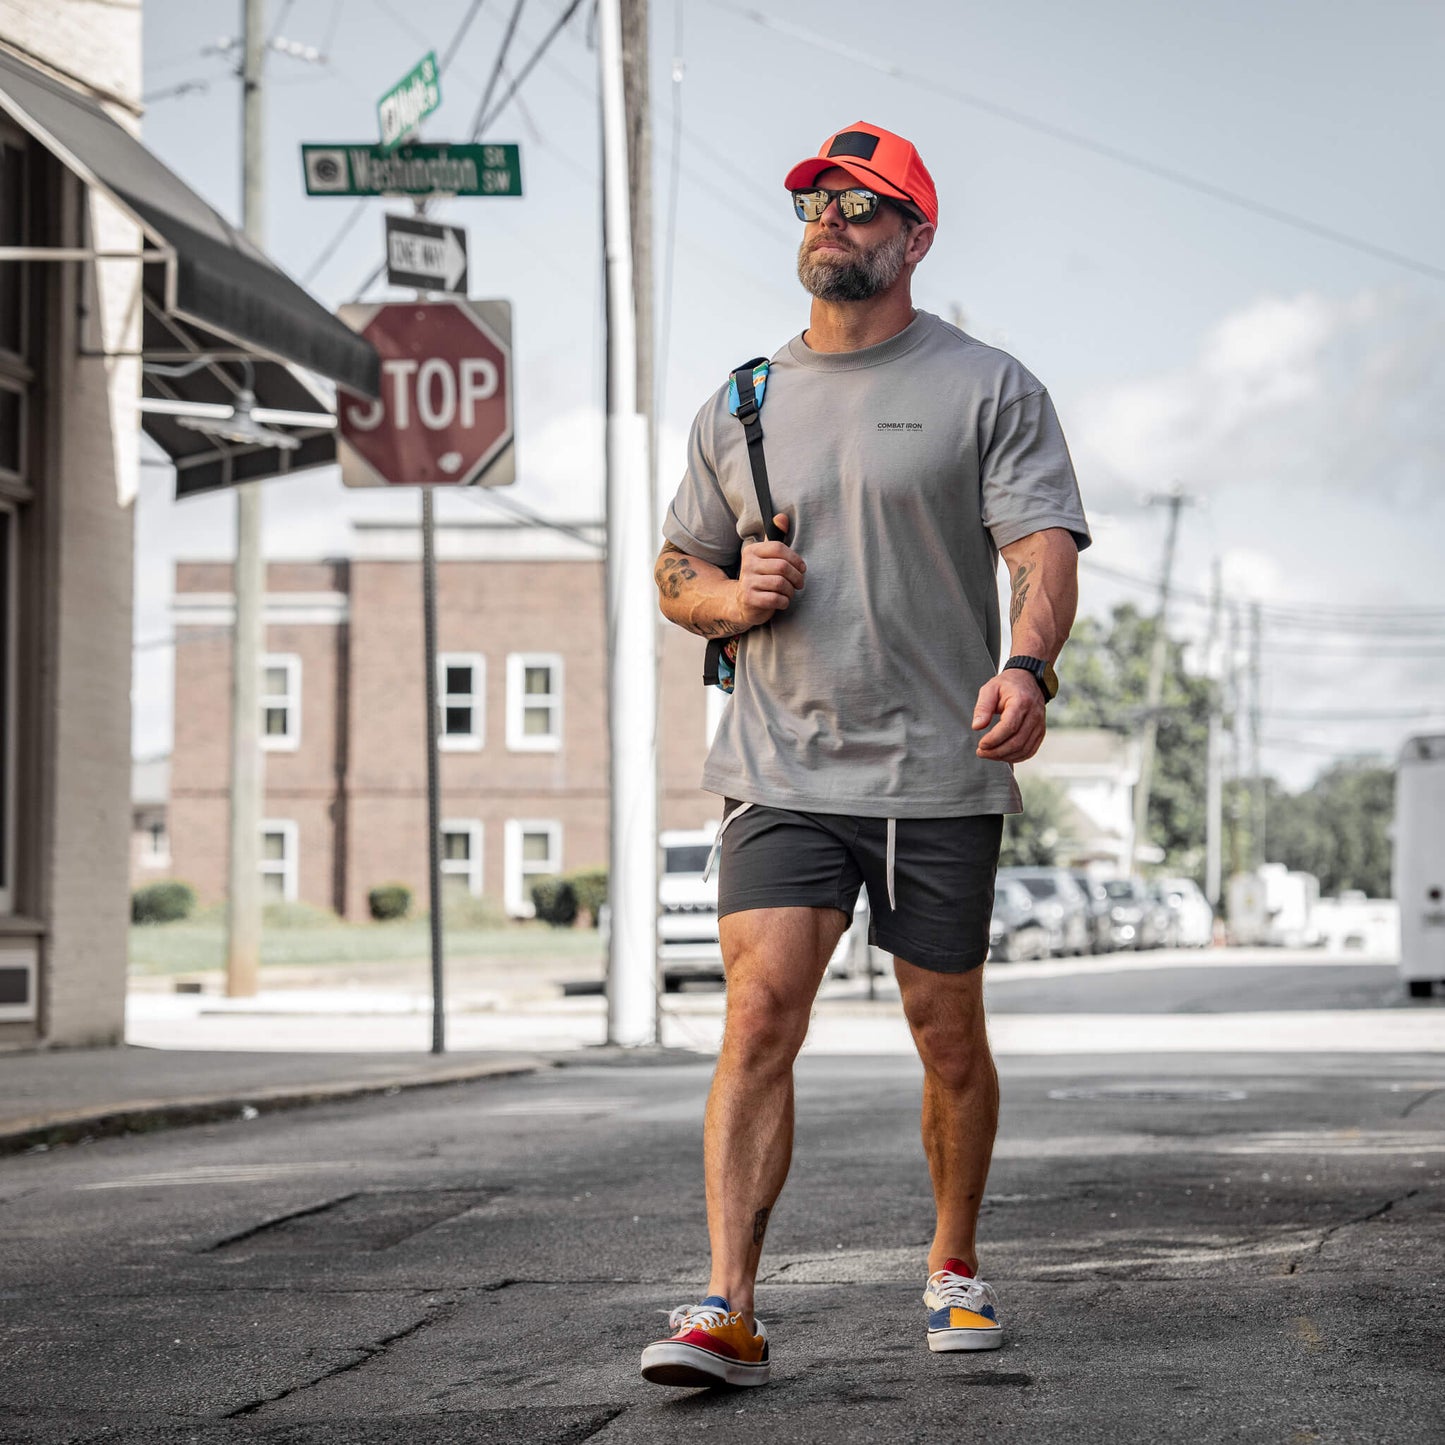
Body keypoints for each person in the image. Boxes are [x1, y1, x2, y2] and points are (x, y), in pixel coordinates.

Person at [640, 121, 1090, 1389]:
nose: (827, 221)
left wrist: (1027, 663)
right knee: (756, 1014)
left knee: (943, 1032)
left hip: (938, 768)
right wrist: (731, 600)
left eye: (857, 205)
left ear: (913, 237)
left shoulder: (987, 386)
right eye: (813, 205)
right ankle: (725, 1302)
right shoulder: (742, 402)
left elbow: (1040, 548)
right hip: (780, 764)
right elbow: (678, 569)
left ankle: (951, 1265)